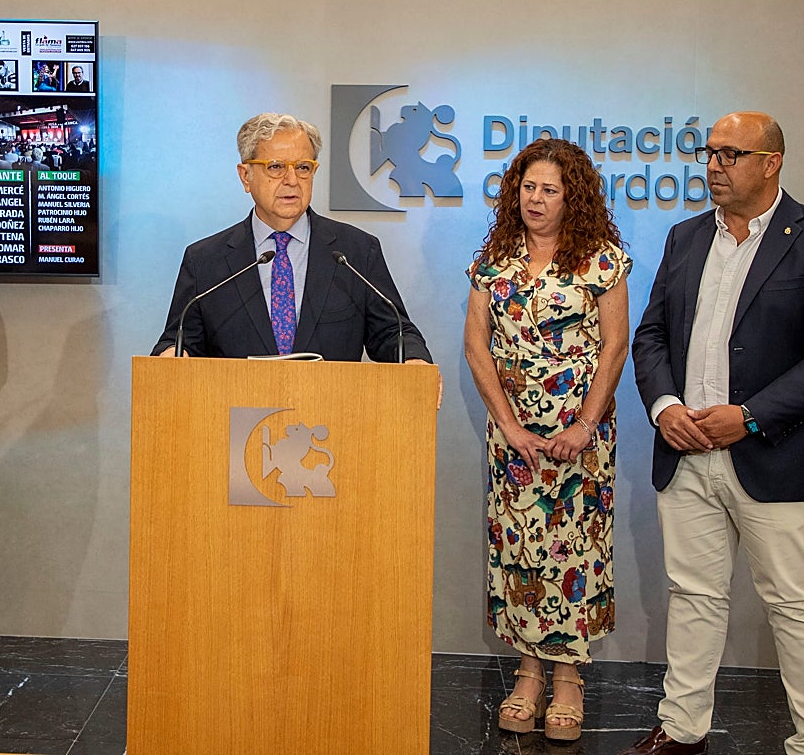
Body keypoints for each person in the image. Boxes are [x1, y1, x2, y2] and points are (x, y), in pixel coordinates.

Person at [625, 112, 804, 755]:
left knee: (794, 604)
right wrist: (666, 406)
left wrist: (749, 414)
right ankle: (683, 730)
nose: (715, 166)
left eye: (731, 154)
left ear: (772, 161)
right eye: (710, 153)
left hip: (775, 453)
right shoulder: (684, 238)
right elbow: (651, 336)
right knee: (693, 597)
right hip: (686, 450)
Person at [463, 138, 631, 742]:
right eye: (528, 188)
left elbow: (616, 347)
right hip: (512, 440)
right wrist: (509, 425)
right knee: (517, 551)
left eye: (550, 190)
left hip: (581, 438)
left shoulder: (602, 260)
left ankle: (567, 680)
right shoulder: (493, 260)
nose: (536, 199)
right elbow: (475, 347)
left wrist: (583, 424)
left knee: (573, 554)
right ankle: (527, 675)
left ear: (573, 197)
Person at [153, 112, 432, 367]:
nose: (292, 180)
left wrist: (413, 358)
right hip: (236, 416)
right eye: (275, 167)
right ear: (245, 176)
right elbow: (179, 340)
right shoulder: (205, 261)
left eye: (303, 167)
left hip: (333, 415)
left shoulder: (356, 252)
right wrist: (172, 355)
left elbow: (393, 332)